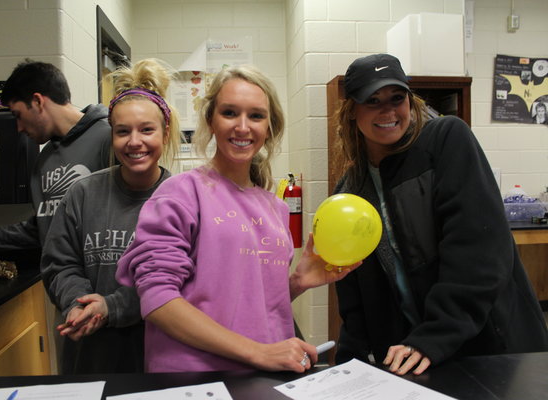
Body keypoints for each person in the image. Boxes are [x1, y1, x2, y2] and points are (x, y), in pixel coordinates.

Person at [116, 65, 360, 373]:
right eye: (230, 113)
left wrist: (296, 283)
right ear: (211, 121)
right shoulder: (180, 193)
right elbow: (157, 300)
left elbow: (243, 301)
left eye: (256, 116)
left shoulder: (275, 208)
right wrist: (258, 352)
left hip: (261, 376)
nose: (242, 127)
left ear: (270, 127)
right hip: (194, 379)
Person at [332, 53, 548, 376]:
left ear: (410, 100)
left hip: (487, 349)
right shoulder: (350, 189)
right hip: (417, 358)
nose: (388, 110)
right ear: (352, 112)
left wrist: (434, 336)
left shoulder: (446, 140)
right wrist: (349, 365)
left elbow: (479, 252)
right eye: (372, 100)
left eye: (397, 97)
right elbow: (357, 296)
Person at [40, 58, 180, 374]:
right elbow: (59, 263)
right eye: (122, 131)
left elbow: (177, 282)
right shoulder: (83, 193)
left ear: (165, 130)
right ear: (111, 134)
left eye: (147, 130)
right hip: (88, 357)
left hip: (156, 358)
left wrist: (111, 307)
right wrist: (79, 304)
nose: (134, 142)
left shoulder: (181, 199)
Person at [0, 59, 111, 256]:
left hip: (101, 284)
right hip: (61, 282)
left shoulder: (109, 139)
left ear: (37, 101)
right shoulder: (45, 159)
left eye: (18, 115)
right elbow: (43, 227)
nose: (18, 128)